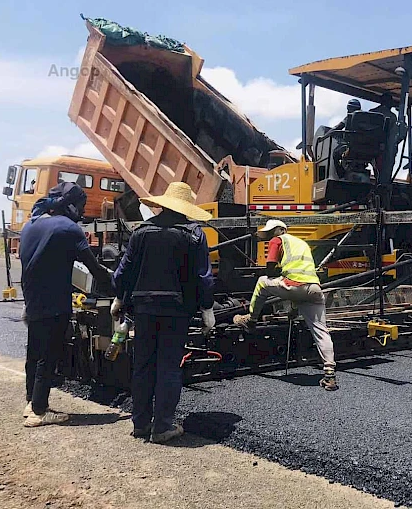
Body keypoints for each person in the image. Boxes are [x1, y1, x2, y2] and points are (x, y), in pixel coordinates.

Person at [111, 182, 215, 443]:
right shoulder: (194, 234)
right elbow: (203, 277)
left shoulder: (141, 232)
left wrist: (119, 297)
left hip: (143, 310)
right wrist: (207, 308)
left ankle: (141, 424)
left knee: (143, 365)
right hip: (177, 312)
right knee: (169, 366)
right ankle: (163, 427)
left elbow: (124, 272)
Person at [20, 182, 111, 427]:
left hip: (33, 299)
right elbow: (95, 270)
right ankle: (39, 412)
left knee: (34, 353)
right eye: (81, 205)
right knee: (49, 356)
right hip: (54, 301)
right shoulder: (70, 229)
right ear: (71, 205)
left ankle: (31, 403)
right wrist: (118, 285)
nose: (82, 211)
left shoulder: (31, 224)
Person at [232, 220, 338, 391]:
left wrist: (272, 272)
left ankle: (251, 320)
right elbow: (301, 282)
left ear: (281, 230)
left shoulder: (279, 239)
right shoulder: (302, 243)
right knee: (321, 331)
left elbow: (270, 266)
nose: (270, 236)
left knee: (262, 282)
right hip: (314, 289)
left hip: (294, 285)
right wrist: (294, 311)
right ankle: (330, 374)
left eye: (272, 232)